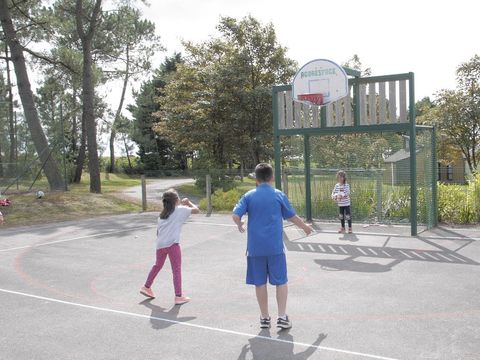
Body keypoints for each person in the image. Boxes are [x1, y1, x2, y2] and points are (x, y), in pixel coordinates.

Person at [232, 163, 313, 330]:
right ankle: (282, 317)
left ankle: (264, 317)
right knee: (280, 281)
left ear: (256, 178)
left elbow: (235, 214)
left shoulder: (248, 195)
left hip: (255, 248)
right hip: (275, 248)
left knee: (260, 283)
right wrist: (305, 227)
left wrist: (240, 223)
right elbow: (291, 216)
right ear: (271, 177)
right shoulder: (278, 195)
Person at [140, 189, 200, 305]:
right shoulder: (180, 210)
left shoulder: (162, 215)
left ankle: (146, 286)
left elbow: (158, 232)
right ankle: (178, 296)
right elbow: (197, 210)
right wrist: (188, 202)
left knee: (157, 265)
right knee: (176, 270)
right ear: (176, 200)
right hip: (173, 244)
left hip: (160, 245)